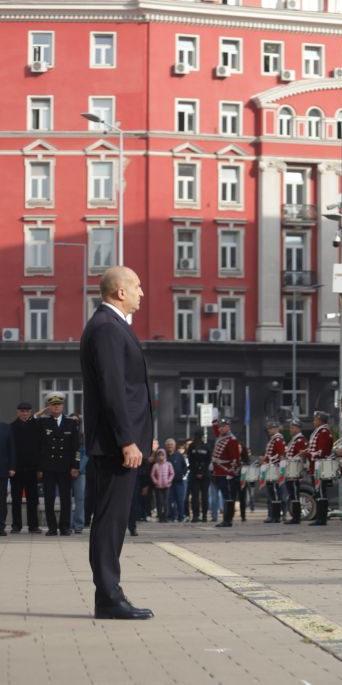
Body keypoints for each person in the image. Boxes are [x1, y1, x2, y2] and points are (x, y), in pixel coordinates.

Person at [80, 265, 154, 620]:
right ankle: (109, 597)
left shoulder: (111, 326)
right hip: (114, 444)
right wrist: (128, 441)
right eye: (137, 286)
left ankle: (109, 594)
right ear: (120, 292)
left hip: (116, 442)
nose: (143, 292)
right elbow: (113, 390)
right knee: (110, 521)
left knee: (112, 519)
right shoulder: (107, 328)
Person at [37, 394, 80, 536]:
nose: (56, 406)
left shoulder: (71, 423)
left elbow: (76, 447)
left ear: (63, 406)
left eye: (59, 404)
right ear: (49, 407)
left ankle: (64, 527)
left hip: (65, 467)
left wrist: (75, 466)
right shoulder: (43, 422)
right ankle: (52, 527)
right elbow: (29, 424)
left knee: (65, 499)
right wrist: (39, 414)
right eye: (53, 404)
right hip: (48, 467)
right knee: (49, 498)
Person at [11, 401, 42, 534]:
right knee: (16, 499)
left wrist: (40, 468)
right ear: (18, 412)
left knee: (33, 499)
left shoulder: (36, 426)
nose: (24, 413)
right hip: (16, 469)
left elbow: (41, 448)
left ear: (30, 412)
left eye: (27, 411)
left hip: (32, 468)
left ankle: (33, 525)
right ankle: (16, 525)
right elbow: (10, 449)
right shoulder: (11, 427)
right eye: (22, 411)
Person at [210, 419, 242, 528]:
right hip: (219, 471)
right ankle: (226, 520)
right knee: (225, 495)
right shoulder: (221, 437)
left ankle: (227, 520)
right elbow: (216, 431)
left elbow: (235, 458)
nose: (221, 428)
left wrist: (233, 472)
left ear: (229, 427)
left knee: (228, 496)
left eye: (223, 426)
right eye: (220, 426)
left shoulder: (231, 440)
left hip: (226, 472)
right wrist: (214, 422)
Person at [186, 436, 211, 521]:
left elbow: (190, 460)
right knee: (204, 496)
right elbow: (208, 460)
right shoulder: (206, 446)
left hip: (194, 474)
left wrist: (196, 472)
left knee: (195, 496)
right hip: (205, 474)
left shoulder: (191, 446)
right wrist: (202, 472)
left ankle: (195, 516)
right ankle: (204, 516)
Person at [166, 439, 188, 522]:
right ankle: (171, 516)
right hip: (168, 483)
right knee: (170, 500)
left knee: (180, 500)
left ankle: (181, 516)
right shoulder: (164, 455)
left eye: (171, 444)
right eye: (168, 444)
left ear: (175, 446)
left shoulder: (179, 455)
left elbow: (185, 467)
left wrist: (182, 474)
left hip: (179, 482)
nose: (170, 446)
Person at [0, 412, 14, 536]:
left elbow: (12, 449)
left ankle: (1, 526)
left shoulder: (6, 428)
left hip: (2, 471)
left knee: (1, 501)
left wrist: (12, 467)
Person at [149, 449, 173, 522]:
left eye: (162, 455)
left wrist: (168, 481)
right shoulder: (155, 465)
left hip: (166, 486)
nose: (161, 457)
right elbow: (152, 474)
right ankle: (160, 517)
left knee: (166, 502)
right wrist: (156, 481)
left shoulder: (168, 464)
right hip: (158, 486)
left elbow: (172, 473)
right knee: (159, 502)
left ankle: (165, 516)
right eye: (159, 455)